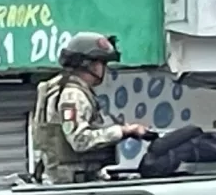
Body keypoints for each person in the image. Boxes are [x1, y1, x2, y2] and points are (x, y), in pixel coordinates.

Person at [31, 32, 150, 184]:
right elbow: (79, 140)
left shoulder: (61, 87)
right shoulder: (73, 95)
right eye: (102, 63)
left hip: (71, 180)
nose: (104, 69)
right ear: (89, 64)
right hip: (72, 184)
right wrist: (123, 131)